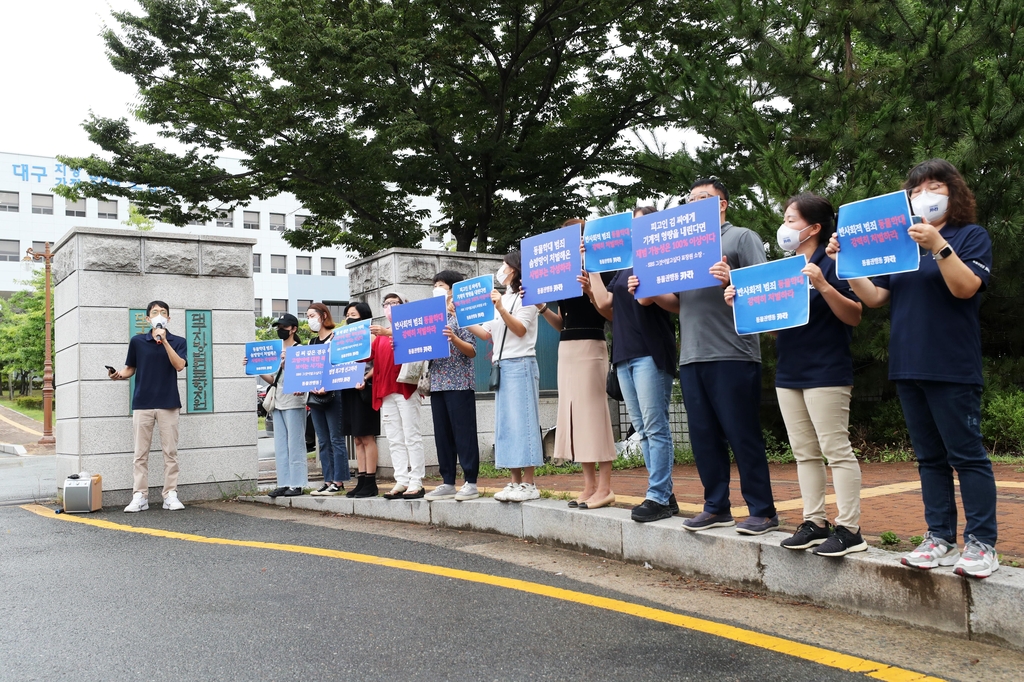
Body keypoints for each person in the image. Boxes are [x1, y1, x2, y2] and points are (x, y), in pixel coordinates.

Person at [827, 159, 998, 578]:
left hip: (952, 364)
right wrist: (850, 265)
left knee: (967, 455)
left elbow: (966, 287)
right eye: (917, 190)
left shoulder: (969, 236)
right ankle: (938, 537)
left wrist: (939, 245)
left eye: (935, 187)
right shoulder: (900, 245)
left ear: (954, 193)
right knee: (929, 458)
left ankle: (981, 544)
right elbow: (875, 298)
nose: (925, 195)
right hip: (908, 365)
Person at [634, 179, 778, 535]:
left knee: (742, 433)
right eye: (690, 199)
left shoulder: (741, 237)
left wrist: (733, 278)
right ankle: (716, 506)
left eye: (704, 199)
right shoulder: (683, 248)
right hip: (692, 355)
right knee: (703, 437)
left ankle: (763, 509)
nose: (695, 204)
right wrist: (650, 292)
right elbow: (679, 304)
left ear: (723, 204)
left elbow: (766, 288)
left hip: (734, 352)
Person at [724, 193, 866, 556]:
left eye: (791, 220)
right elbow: (777, 327)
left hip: (827, 369)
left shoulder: (833, 260)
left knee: (836, 450)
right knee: (804, 452)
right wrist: (743, 305)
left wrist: (821, 282)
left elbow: (854, 314)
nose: (784, 227)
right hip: (790, 370)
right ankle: (815, 522)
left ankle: (850, 529)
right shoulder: (783, 270)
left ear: (814, 227)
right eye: (785, 219)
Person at [588, 207, 679, 522]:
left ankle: (658, 496)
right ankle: (664, 494)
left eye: (641, 222)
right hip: (624, 353)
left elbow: (674, 303)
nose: (634, 228)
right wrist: (593, 265)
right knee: (642, 429)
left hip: (651, 351)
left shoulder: (662, 257)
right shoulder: (622, 265)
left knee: (655, 426)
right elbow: (604, 303)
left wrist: (649, 291)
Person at [539, 220, 616, 509]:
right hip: (567, 348)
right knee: (573, 417)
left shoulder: (601, 268)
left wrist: (590, 285)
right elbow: (562, 323)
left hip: (592, 345)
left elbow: (606, 310)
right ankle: (589, 486)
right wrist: (543, 308)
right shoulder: (562, 275)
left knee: (594, 415)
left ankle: (605, 487)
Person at [468, 252, 542, 502]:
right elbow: (486, 333)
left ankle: (529, 484)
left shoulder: (528, 296)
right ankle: (514, 482)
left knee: (524, 422)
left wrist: (499, 307)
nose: (501, 269)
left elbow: (520, 330)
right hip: (502, 365)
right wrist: (462, 317)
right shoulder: (505, 297)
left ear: (515, 269)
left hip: (521, 362)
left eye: (504, 265)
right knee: (507, 425)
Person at [108, 300, 188, 512]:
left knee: (170, 452)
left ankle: (170, 494)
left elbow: (180, 365)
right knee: (140, 453)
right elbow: (130, 368)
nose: (159, 315)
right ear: (147, 319)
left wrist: (165, 341)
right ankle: (140, 496)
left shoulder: (178, 341)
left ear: (168, 318)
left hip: (168, 403)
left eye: (163, 313)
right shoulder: (137, 341)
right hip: (142, 403)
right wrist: (118, 376)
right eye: (155, 312)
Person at [424, 271, 482, 502]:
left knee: (464, 434)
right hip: (437, 383)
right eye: (435, 285)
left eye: (440, 285)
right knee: (443, 435)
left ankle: (471, 482)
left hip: (459, 383)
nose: (436, 288)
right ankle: (448, 481)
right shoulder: (430, 316)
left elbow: (472, 350)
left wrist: (453, 338)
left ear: (452, 289)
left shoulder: (463, 313)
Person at [369, 293, 427, 500]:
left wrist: (388, 333)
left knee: (411, 436)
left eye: (395, 303)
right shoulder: (379, 337)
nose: (390, 307)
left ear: (404, 306)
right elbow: (366, 356)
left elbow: (419, 347)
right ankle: (401, 479)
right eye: (386, 304)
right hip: (385, 391)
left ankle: (416, 480)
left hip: (406, 388)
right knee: (394, 438)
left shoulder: (412, 328)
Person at [250, 314, 308, 498]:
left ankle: (297, 484)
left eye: (284, 326)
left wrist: (287, 363)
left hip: (294, 401)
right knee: (281, 444)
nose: (280, 330)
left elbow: (303, 376)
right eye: (278, 327)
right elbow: (274, 379)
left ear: (294, 329)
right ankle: (283, 483)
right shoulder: (275, 350)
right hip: (278, 401)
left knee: (295, 443)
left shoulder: (301, 349)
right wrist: (254, 366)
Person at [306, 303, 351, 496]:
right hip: (316, 396)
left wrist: (328, 386)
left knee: (336, 439)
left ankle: (339, 481)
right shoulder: (311, 343)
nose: (309, 320)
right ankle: (327, 479)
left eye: (312, 315)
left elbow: (342, 366)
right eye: (307, 316)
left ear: (324, 316)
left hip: (334, 393)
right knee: (322, 441)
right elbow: (307, 371)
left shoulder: (337, 338)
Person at [341, 301, 382, 498]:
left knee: (367, 436)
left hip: (366, 389)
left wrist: (364, 378)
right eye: (347, 314)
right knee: (357, 438)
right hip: (349, 389)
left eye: (354, 315)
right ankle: (362, 479)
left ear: (364, 317)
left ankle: (371, 482)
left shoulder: (373, 337)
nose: (350, 318)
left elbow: (379, 365)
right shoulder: (343, 339)